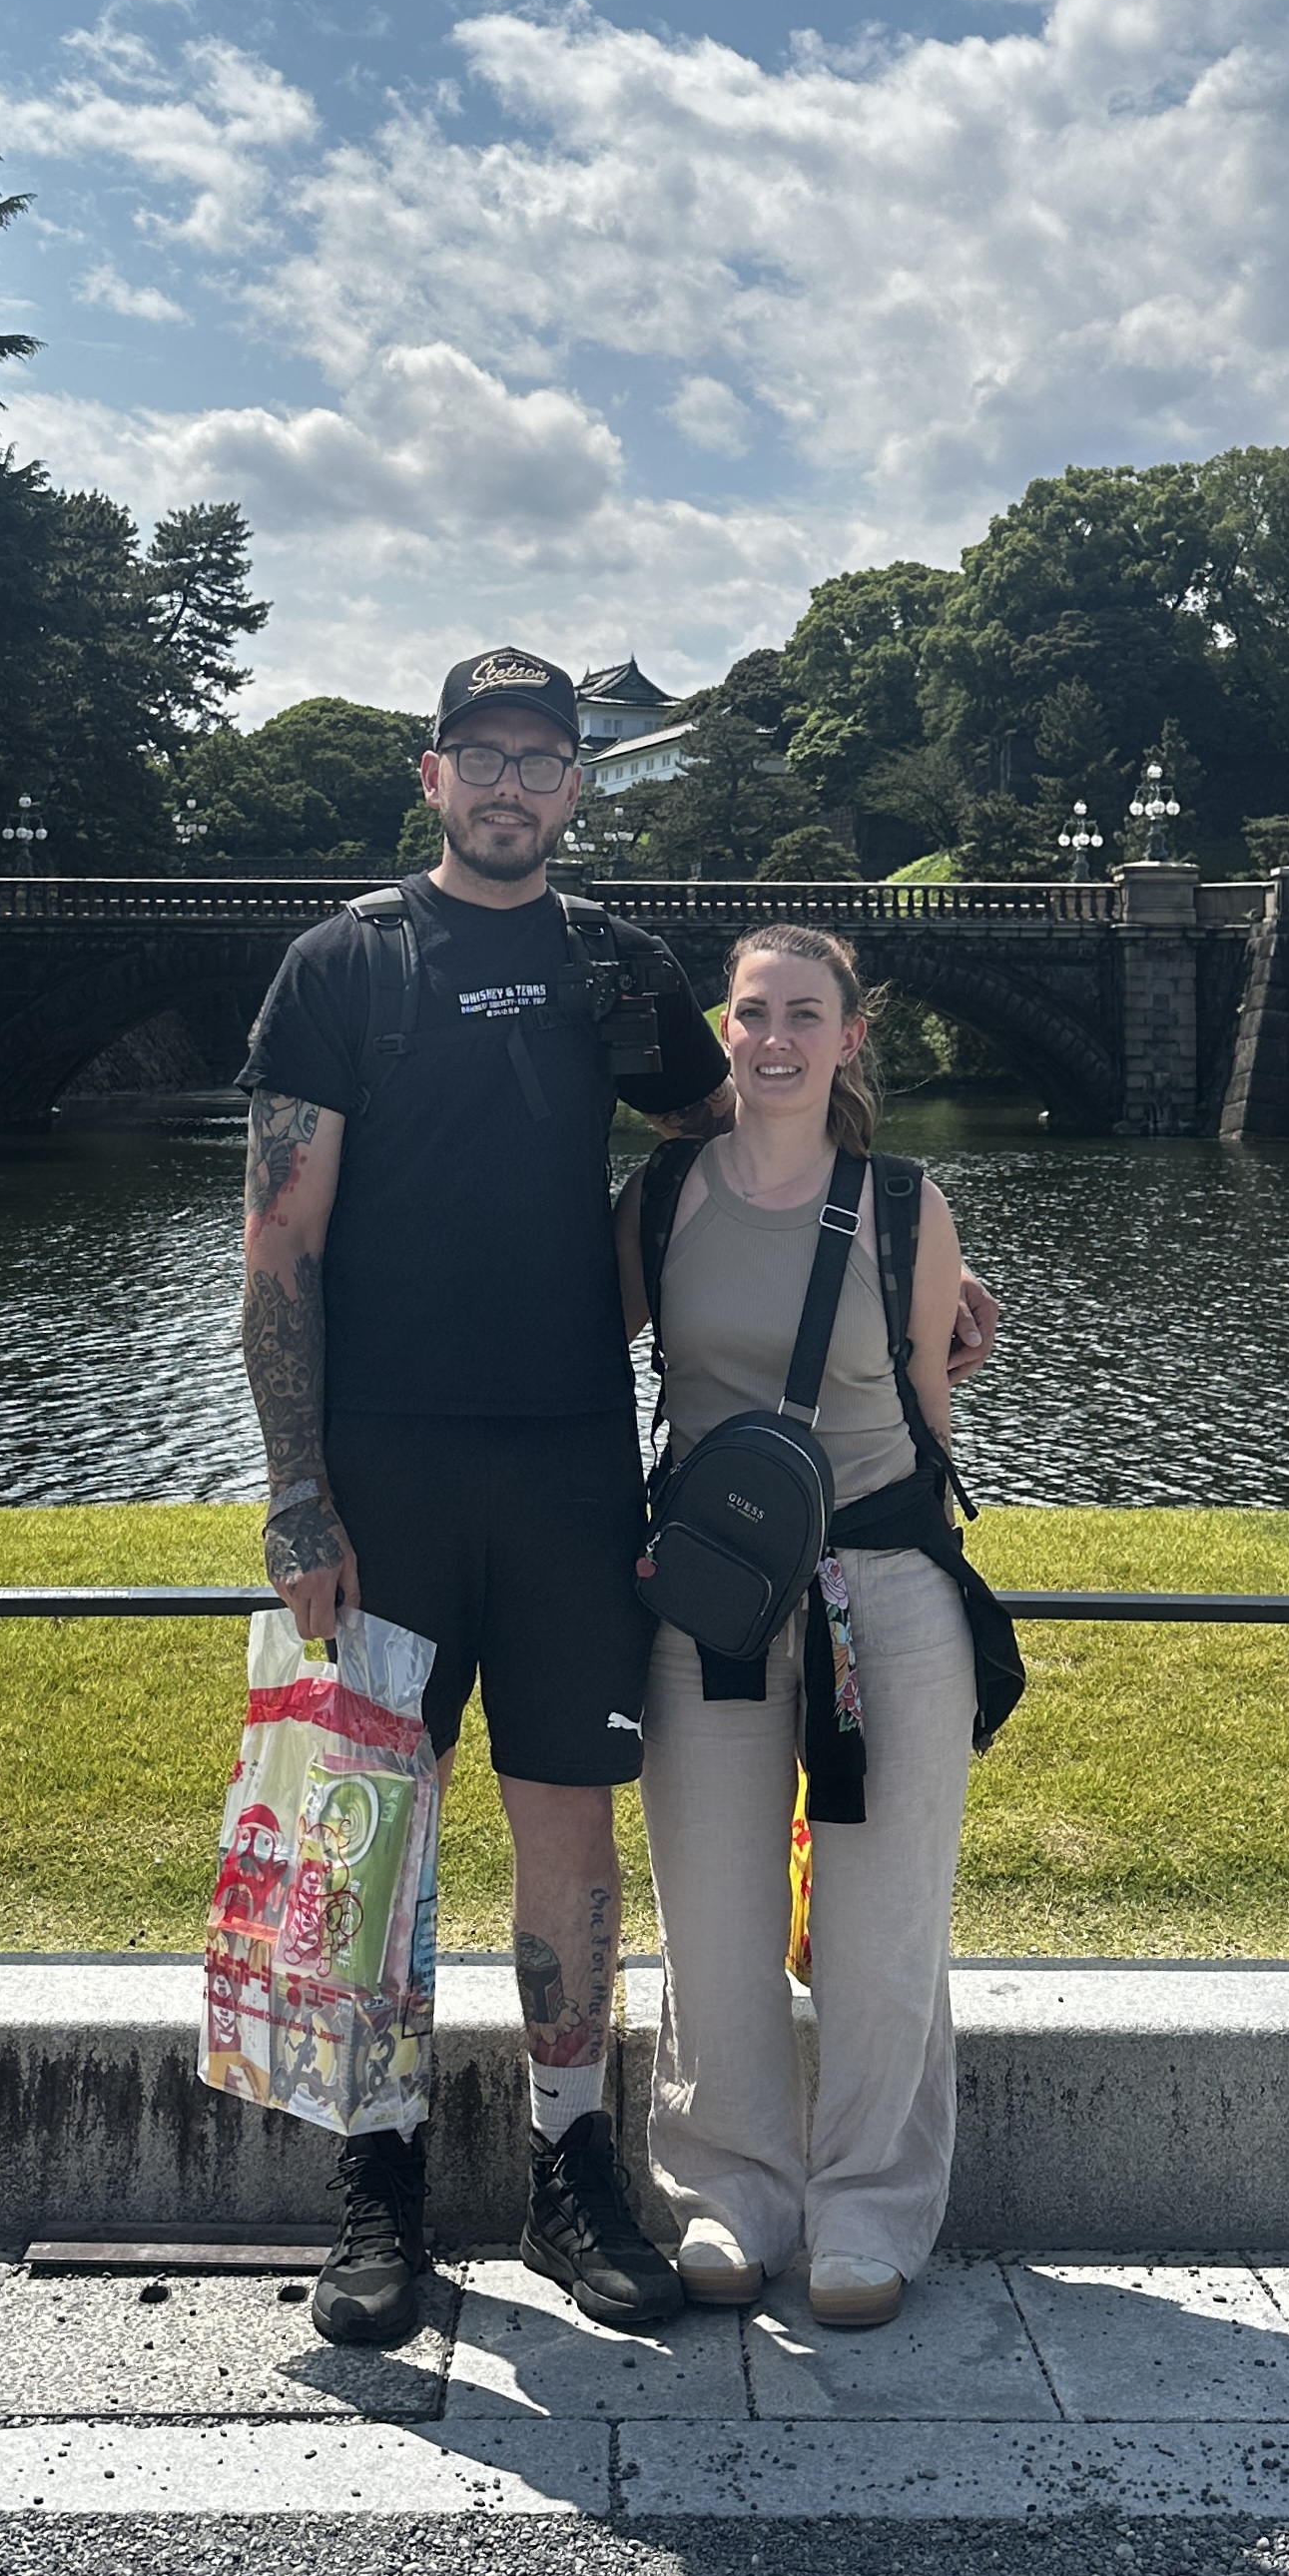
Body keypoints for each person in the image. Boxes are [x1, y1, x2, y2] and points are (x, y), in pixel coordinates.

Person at [237, 647, 734, 2349]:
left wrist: (907, 1270)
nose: (515, 782)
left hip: (570, 1457)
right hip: (383, 1459)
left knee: (568, 1821)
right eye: (484, 753)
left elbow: (748, 1140)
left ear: (580, 784)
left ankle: (566, 2161)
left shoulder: (618, 967)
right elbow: (278, 1247)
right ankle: (374, 2172)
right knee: (365, 1819)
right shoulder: (345, 965)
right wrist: (299, 1492)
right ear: (431, 772)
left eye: (545, 756)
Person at [618, 925, 976, 2334]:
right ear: (724, 1027)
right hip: (708, 1598)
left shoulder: (904, 1203)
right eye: (751, 1011)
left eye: (803, 1013)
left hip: (879, 1592)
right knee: (712, 1916)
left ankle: (873, 2204)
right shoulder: (663, 1198)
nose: (774, 1037)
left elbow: (938, 1435)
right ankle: (732, 2187)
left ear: (849, 1036)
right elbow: (571, 1351)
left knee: (886, 1919)